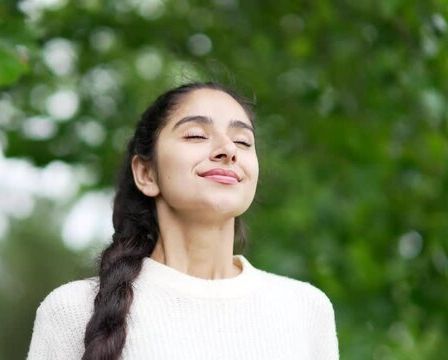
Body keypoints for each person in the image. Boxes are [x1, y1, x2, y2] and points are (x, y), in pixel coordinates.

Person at [26, 82, 339, 360]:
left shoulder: (305, 308)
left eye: (243, 141)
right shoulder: (73, 310)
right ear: (147, 174)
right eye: (196, 135)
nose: (228, 150)